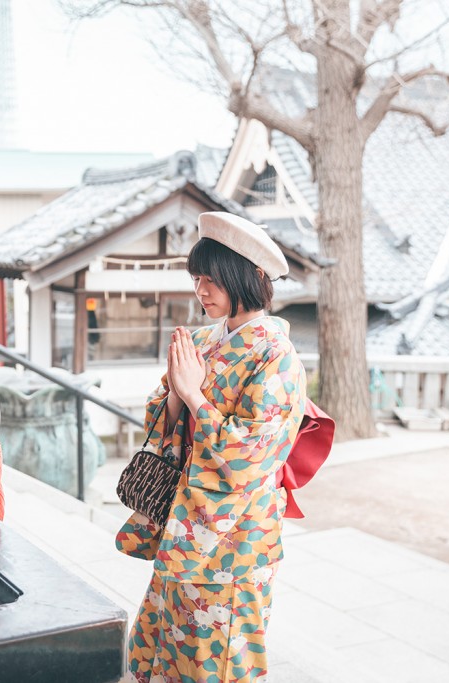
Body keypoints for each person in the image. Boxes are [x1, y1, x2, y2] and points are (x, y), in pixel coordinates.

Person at [116, 211, 307, 683]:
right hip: (182, 528)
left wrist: (196, 395)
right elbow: (162, 422)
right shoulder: (201, 339)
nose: (201, 290)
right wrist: (178, 396)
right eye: (197, 278)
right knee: (160, 644)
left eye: (212, 279)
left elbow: (249, 455)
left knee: (215, 658)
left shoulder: (277, 357)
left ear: (254, 278)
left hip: (235, 537)